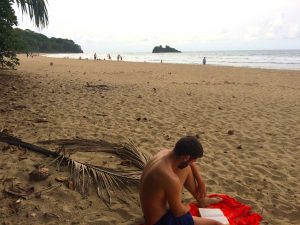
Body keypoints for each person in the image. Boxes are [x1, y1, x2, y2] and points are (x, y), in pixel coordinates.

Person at [139, 136, 223, 225]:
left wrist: (200, 181)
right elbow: (178, 212)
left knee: (185, 168)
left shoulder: (165, 153)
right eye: (193, 160)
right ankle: (200, 202)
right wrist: (187, 207)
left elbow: (190, 164)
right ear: (187, 157)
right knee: (217, 224)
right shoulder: (169, 177)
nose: (193, 163)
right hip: (160, 221)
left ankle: (201, 200)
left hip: (151, 210)